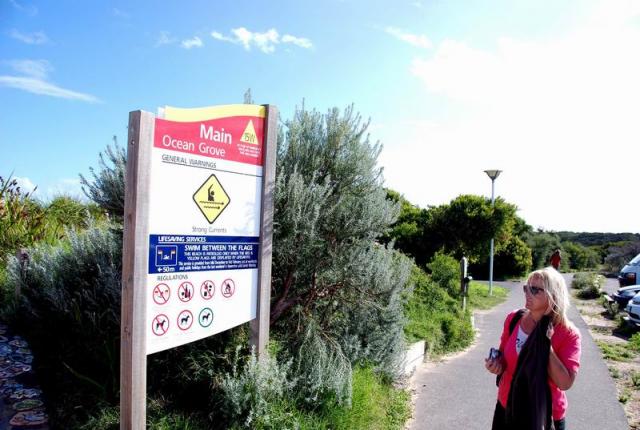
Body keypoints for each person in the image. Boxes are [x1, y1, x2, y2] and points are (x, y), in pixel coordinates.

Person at [485, 267, 581, 430]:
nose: (527, 292)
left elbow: (565, 383)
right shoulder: (514, 318)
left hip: (543, 415)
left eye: (535, 290)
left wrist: (545, 343)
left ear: (554, 295)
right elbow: (503, 357)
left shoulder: (568, 334)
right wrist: (496, 364)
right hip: (507, 405)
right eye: (526, 287)